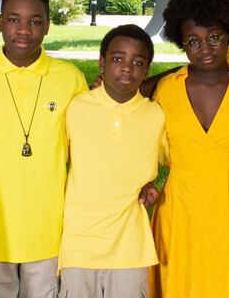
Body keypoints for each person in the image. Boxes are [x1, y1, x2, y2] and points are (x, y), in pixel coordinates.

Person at [0, 0, 88, 298]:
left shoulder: (70, 77)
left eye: (35, 21)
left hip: (47, 227)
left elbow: (89, 146)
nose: (23, 30)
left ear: (47, 26)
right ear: (0, 22)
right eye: (14, 19)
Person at [148, 0, 229, 297]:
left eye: (214, 37)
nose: (205, 49)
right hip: (180, 214)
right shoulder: (166, 90)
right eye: (193, 41)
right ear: (181, 42)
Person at [58, 24, 165, 298]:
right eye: (118, 59)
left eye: (137, 62)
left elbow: (177, 158)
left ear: (147, 70)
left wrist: (152, 185)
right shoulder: (76, 108)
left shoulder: (156, 116)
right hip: (79, 247)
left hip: (130, 248)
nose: (127, 68)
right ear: (102, 64)